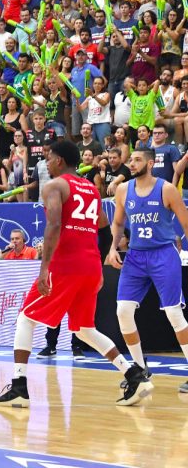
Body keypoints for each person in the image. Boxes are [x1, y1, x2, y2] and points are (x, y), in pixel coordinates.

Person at [0, 141, 153, 408]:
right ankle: (134, 375)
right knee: (84, 329)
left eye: (48, 158)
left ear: (59, 160)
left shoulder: (54, 186)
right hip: (89, 266)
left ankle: (19, 386)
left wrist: (44, 268)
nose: (45, 163)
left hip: (65, 265)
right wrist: (99, 264)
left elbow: (54, 224)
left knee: (26, 319)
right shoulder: (90, 189)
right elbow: (104, 229)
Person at [108, 148, 188, 393]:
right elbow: (118, 222)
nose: (132, 164)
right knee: (123, 311)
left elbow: (185, 222)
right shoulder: (123, 190)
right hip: (135, 255)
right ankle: (140, 369)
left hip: (163, 253)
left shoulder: (167, 189)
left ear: (151, 163)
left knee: (173, 313)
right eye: (131, 160)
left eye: (137, 160)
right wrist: (112, 248)